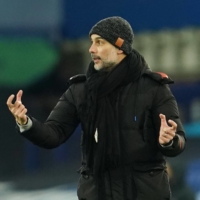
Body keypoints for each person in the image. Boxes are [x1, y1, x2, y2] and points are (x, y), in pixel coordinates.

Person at [6, 16, 186, 200]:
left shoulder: (154, 88)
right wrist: (26, 123)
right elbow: (53, 135)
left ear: (120, 47)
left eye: (99, 42)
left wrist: (169, 141)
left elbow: (178, 142)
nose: (91, 49)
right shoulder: (80, 91)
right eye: (92, 42)